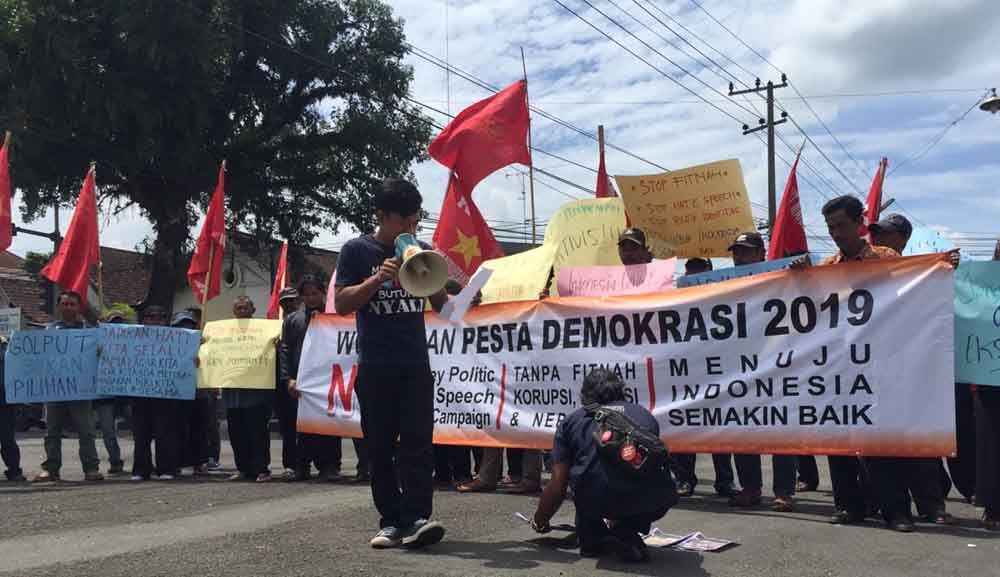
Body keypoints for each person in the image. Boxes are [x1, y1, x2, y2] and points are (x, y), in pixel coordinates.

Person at [334, 178, 449, 550]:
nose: (409, 229)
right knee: (379, 446)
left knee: (418, 442)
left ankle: (417, 517)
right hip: (377, 365)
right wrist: (377, 278)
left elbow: (441, 304)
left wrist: (431, 271)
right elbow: (342, 302)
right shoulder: (356, 250)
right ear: (382, 216)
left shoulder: (422, 248)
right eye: (403, 222)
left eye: (415, 222)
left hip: (415, 363)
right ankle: (390, 520)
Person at [800, 195, 915, 532]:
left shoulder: (885, 258)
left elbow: (913, 285)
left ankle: (896, 510)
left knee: (880, 439)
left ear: (859, 223)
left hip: (879, 360)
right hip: (838, 364)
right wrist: (799, 277)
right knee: (839, 435)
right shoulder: (827, 267)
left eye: (841, 226)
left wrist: (939, 267)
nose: (836, 233)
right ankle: (849, 505)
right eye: (830, 228)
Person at [531, 368, 677, 562]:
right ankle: (626, 532)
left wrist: (541, 520)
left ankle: (596, 539)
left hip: (594, 500)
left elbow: (558, 484)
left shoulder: (572, 421)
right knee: (636, 485)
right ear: (621, 390)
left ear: (585, 394)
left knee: (586, 485)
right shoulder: (644, 415)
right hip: (649, 501)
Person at [870, 213, 957, 523]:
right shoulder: (862, 267)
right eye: (876, 232)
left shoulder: (922, 270)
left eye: (885, 233)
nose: (878, 238)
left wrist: (946, 267)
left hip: (914, 363)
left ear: (903, 238)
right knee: (883, 442)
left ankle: (932, 505)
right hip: (874, 365)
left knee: (917, 442)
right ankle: (894, 505)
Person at [725, 232, 799, 511]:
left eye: (745, 251)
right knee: (741, 429)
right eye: (736, 252)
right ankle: (750, 487)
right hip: (738, 368)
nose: (739, 257)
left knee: (780, 429)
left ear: (761, 254)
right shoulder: (723, 284)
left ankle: (784, 491)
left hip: (776, 364)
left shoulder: (780, 277)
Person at [672, 257, 739, 499]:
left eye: (700, 271)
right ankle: (684, 479)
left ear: (710, 272)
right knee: (685, 427)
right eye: (692, 270)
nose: (695, 275)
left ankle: (725, 481)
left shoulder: (723, 297)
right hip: (687, 370)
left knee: (719, 428)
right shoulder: (676, 299)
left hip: (718, 370)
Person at [33, 291, 104, 482]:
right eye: (65, 304)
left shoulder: (89, 331)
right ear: (58, 307)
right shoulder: (49, 332)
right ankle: (51, 469)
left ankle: (91, 468)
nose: (68, 308)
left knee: (86, 431)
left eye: (72, 304)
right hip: (55, 388)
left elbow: (101, 358)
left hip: (80, 389)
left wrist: (99, 350)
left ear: (78, 307)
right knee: (52, 431)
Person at [223, 296, 274, 482]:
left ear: (253, 310)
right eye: (238, 308)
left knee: (257, 433)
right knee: (236, 434)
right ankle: (243, 468)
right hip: (232, 394)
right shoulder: (224, 333)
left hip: (255, 393)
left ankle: (262, 469)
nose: (242, 311)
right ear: (233, 311)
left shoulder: (263, 331)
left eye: (246, 308)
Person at [129, 305, 181, 481]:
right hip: (140, 394)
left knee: (165, 433)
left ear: (165, 321)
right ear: (144, 321)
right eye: (151, 317)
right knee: (141, 434)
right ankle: (140, 470)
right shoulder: (132, 339)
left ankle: (166, 469)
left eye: (159, 317)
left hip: (165, 394)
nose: (155, 320)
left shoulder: (177, 339)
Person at [169, 310, 211, 476]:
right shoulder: (166, 344)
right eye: (181, 325)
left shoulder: (204, 345)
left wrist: (202, 360)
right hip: (176, 393)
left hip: (198, 393)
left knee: (199, 429)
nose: (185, 328)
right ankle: (177, 462)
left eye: (189, 325)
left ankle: (199, 462)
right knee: (177, 429)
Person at [94, 313, 127, 476]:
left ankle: (115, 461)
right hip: (90, 392)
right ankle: (91, 465)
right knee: (88, 432)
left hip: (109, 395)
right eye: (113, 323)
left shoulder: (131, 344)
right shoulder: (94, 338)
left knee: (108, 430)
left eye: (119, 324)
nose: (116, 327)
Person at [274, 286, 302, 479]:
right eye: (285, 302)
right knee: (288, 427)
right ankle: (290, 465)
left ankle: (309, 464)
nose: (289, 304)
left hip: (306, 380)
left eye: (292, 300)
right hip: (282, 383)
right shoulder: (271, 328)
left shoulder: (306, 320)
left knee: (310, 426)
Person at [0, 337, 24, 482]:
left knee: (7, 438)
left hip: (5, 401)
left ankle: (14, 470)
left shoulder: (7, 346)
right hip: (6, 400)